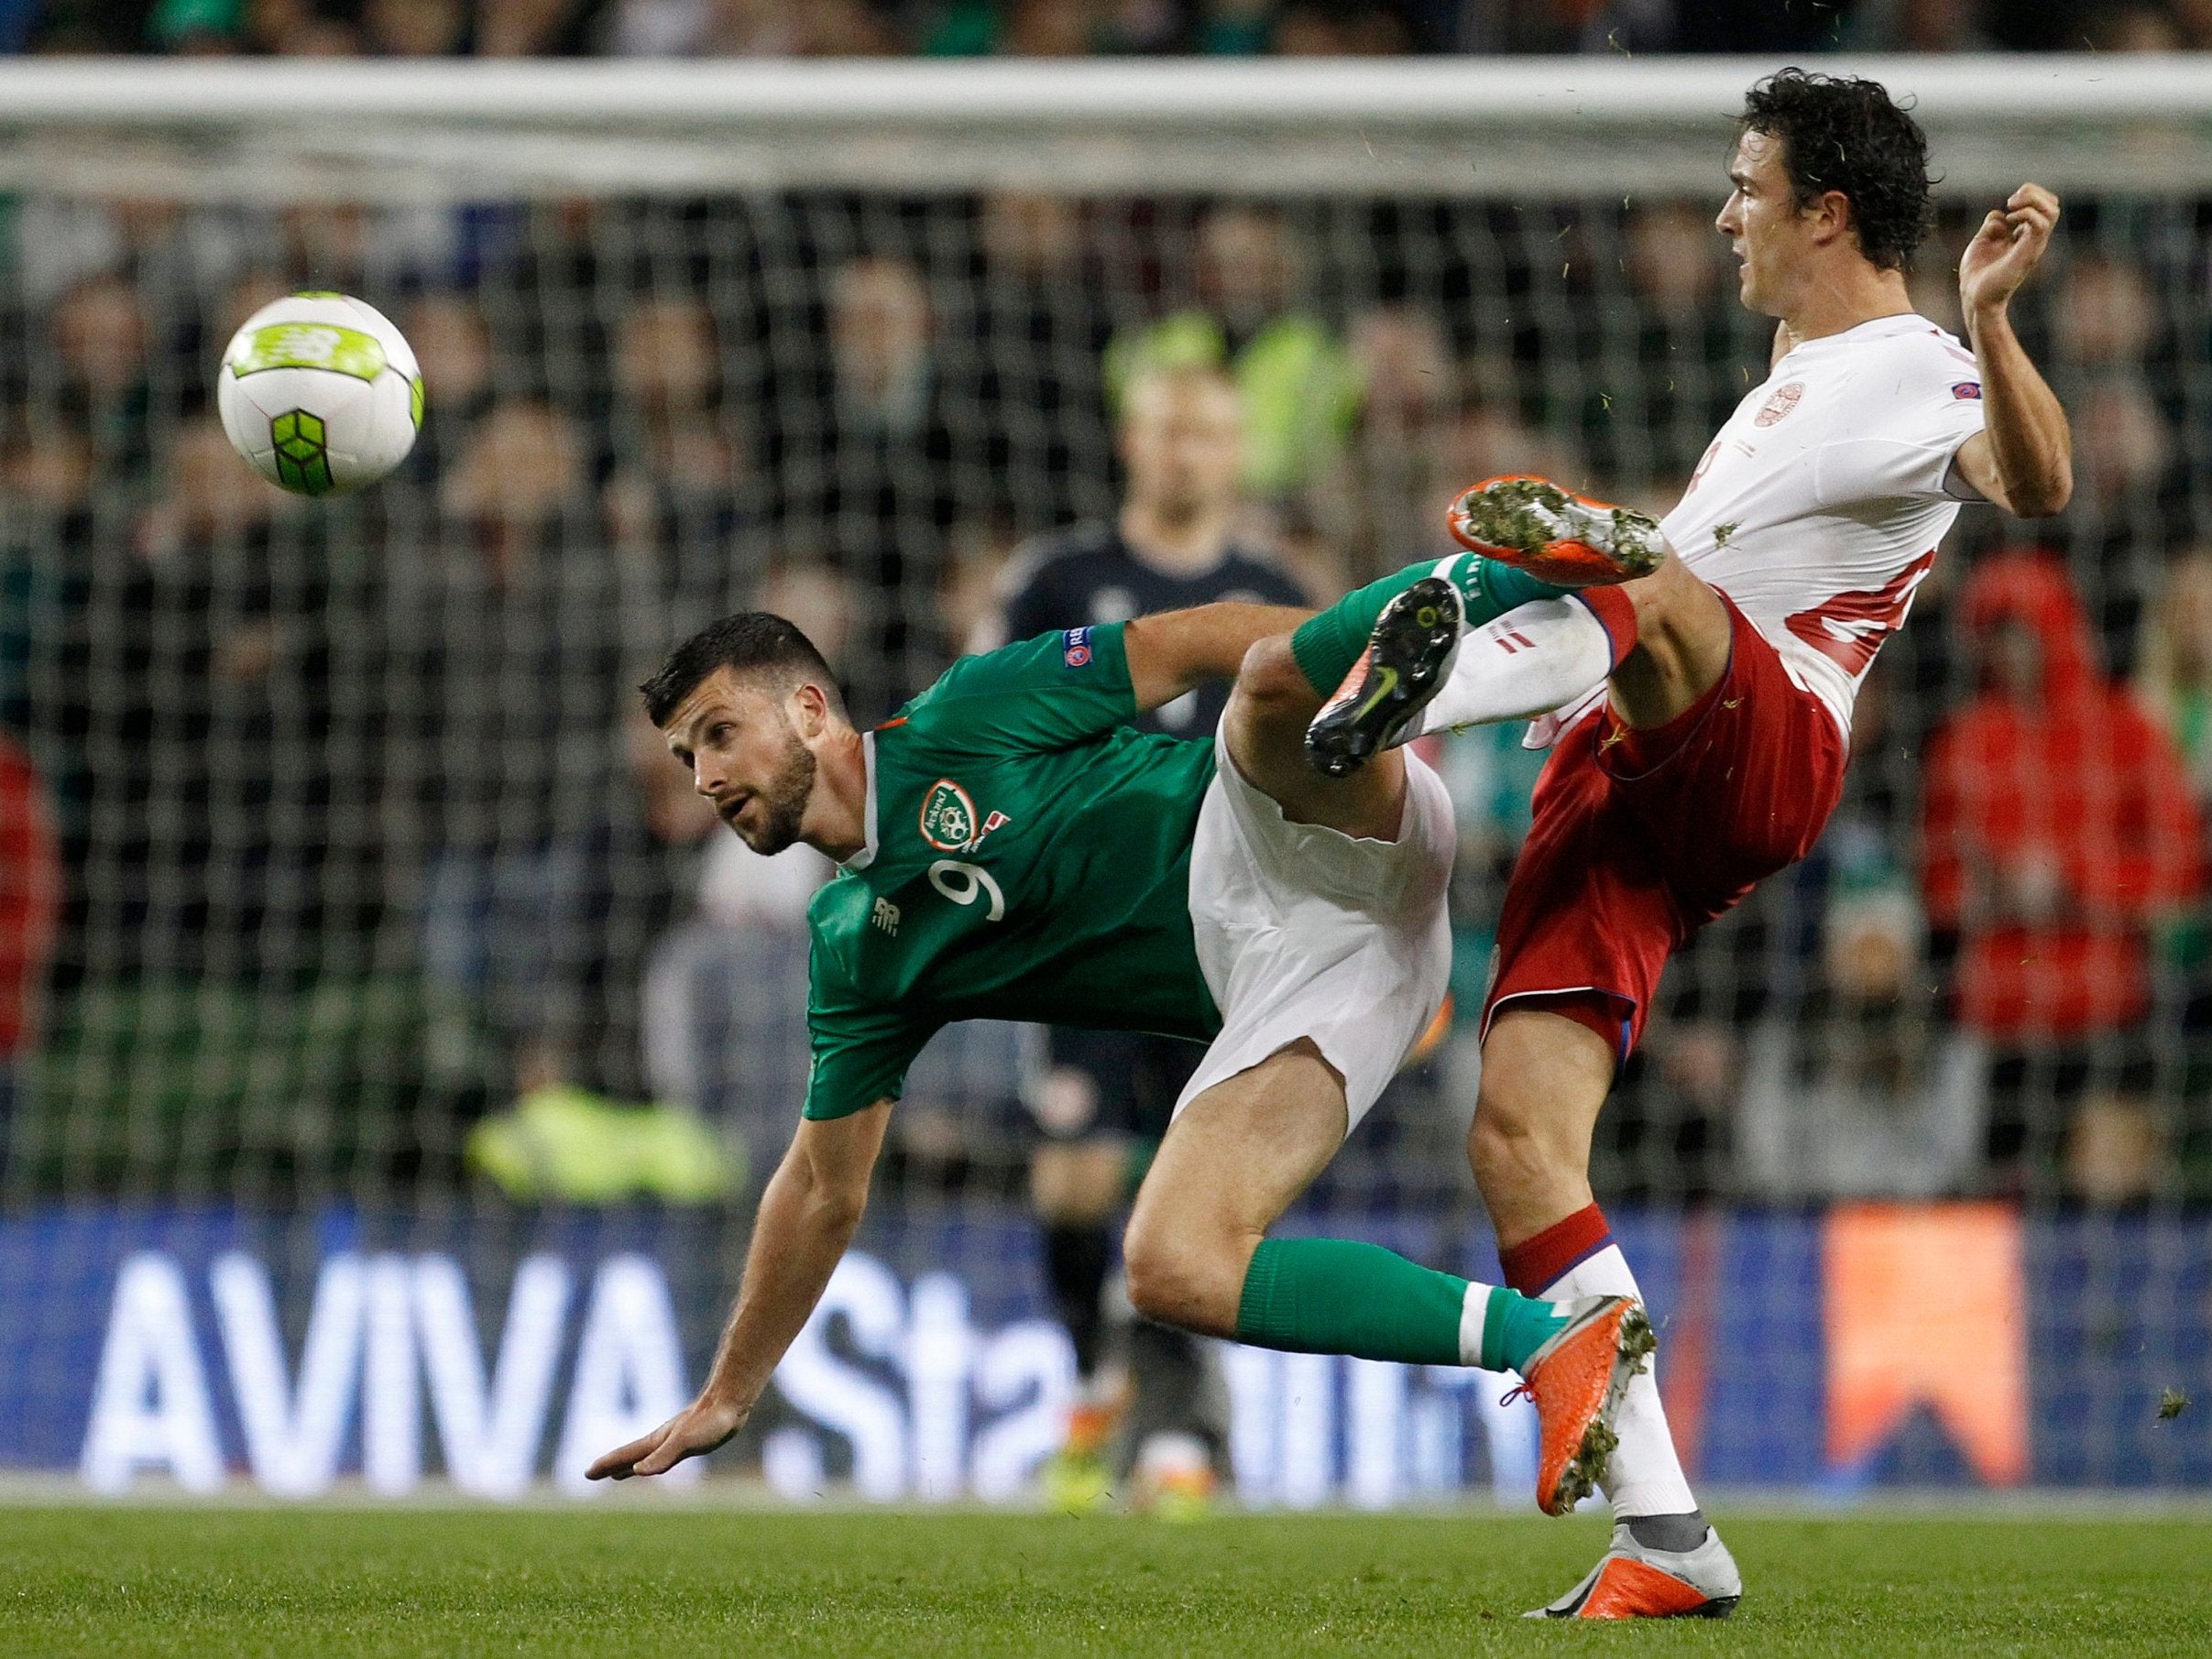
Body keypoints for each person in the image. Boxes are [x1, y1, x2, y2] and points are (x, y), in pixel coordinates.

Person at [1301, 69, 2072, 1615]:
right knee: (1515, 1137)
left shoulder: (1918, 363)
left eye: (1743, 187)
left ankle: (1430, 678)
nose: (1722, 214)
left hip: (1764, 736)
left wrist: (1989, 315)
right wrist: (1592, 665)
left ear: (1821, 211)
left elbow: (2036, 486)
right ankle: (1668, 1541)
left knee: (1636, 571)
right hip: (1634, 751)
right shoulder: (1787, 363)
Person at [586, 598, 1659, 1542]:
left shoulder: (967, 711)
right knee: (1171, 1263)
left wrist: (1378, 689)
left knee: (1267, 674)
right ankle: (1553, 1338)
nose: (707, 775)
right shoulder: (856, 949)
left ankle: (1519, 618)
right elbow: (821, 1185)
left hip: (1289, 828)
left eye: (719, 733)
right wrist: (728, 1392)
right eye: (687, 757)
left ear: (812, 710)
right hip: (1322, 973)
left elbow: (1188, 638)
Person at [980, 363, 1309, 1511]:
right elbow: (986, 724)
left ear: (1235, 453)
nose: (1185, 452)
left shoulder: (1274, 588)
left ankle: (1180, 1432)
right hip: (1078, 934)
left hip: (1224, 946)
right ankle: (1095, 1376)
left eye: (1208, 433)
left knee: (1194, 1197)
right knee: (1071, 1180)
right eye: (1168, 429)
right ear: (1133, 441)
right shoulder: (1058, 578)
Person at [1923, 551, 2200, 1200]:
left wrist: (2073, 881)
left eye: (2022, 631)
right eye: (1996, 634)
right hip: (2001, 1018)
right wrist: (1992, 893)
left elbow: (2178, 871)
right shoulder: (1963, 742)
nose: (2011, 651)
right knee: (2001, 1198)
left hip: (2107, 1013)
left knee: (2104, 1197)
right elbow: (1938, 883)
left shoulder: (2126, 731)